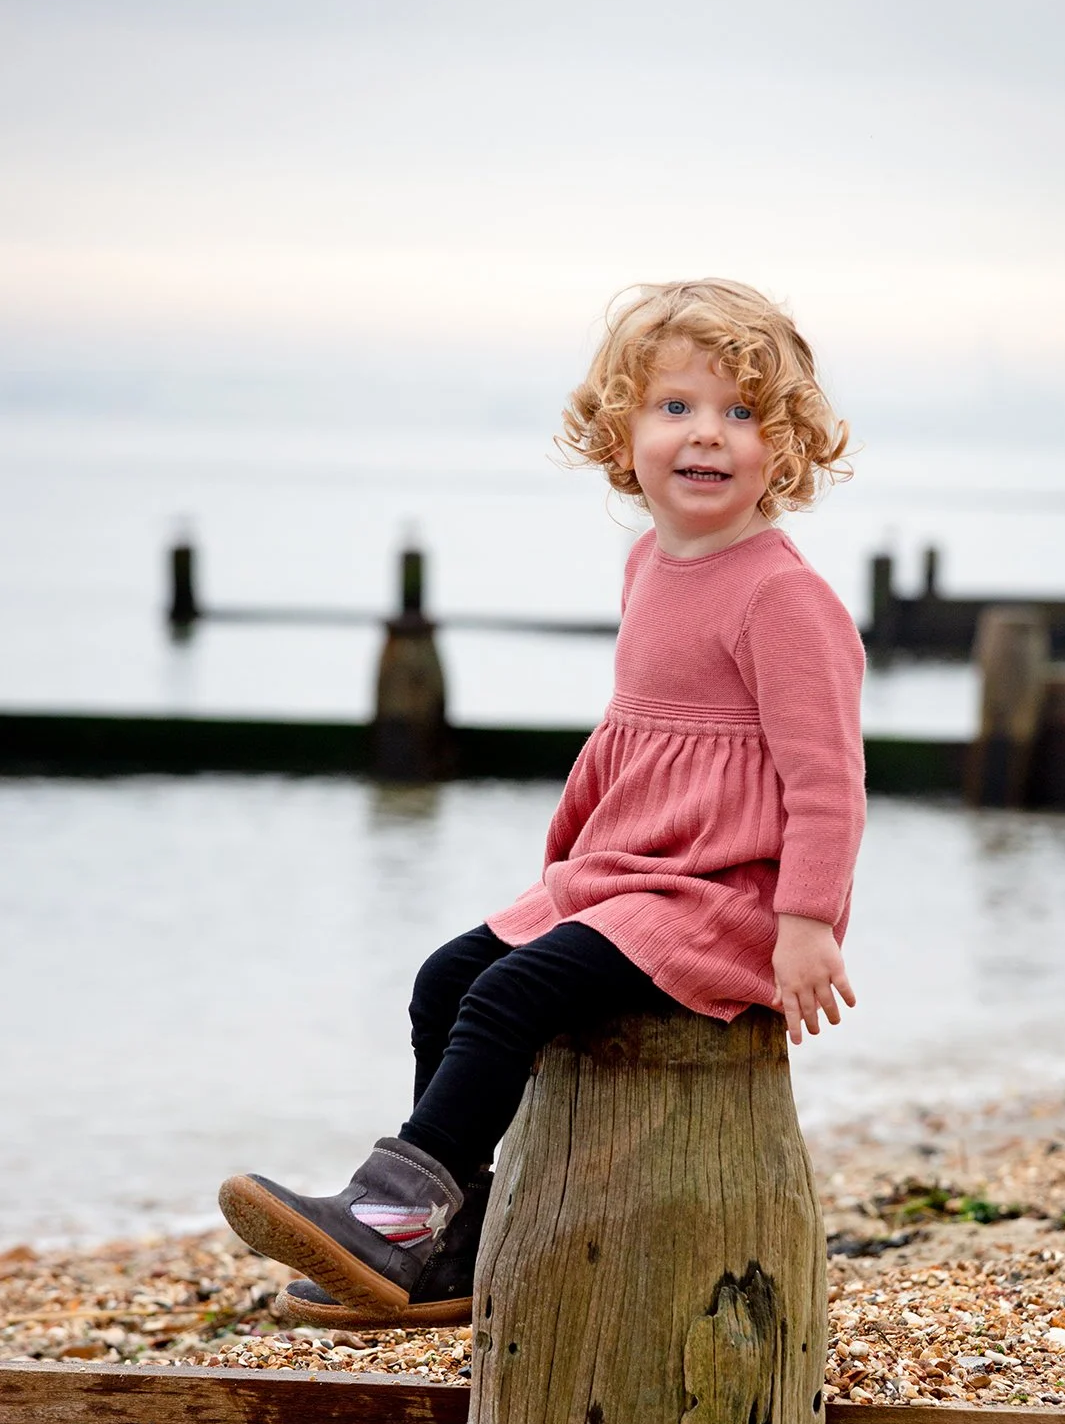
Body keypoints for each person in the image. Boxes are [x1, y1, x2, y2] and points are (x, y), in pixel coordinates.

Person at [219, 278, 866, 1322]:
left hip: (724, 901)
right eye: (676, 407)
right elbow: (637, 743)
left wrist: (805, 922)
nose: (708, 434)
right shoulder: (647, 563)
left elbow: (826, 774)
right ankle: (451, 1247)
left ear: (784, 448)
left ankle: (390, 1212)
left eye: (742, 414)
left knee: (511, 996)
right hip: (627, 876)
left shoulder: (781, 596)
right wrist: (567, 869)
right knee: (450, 975)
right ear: (624, 432)